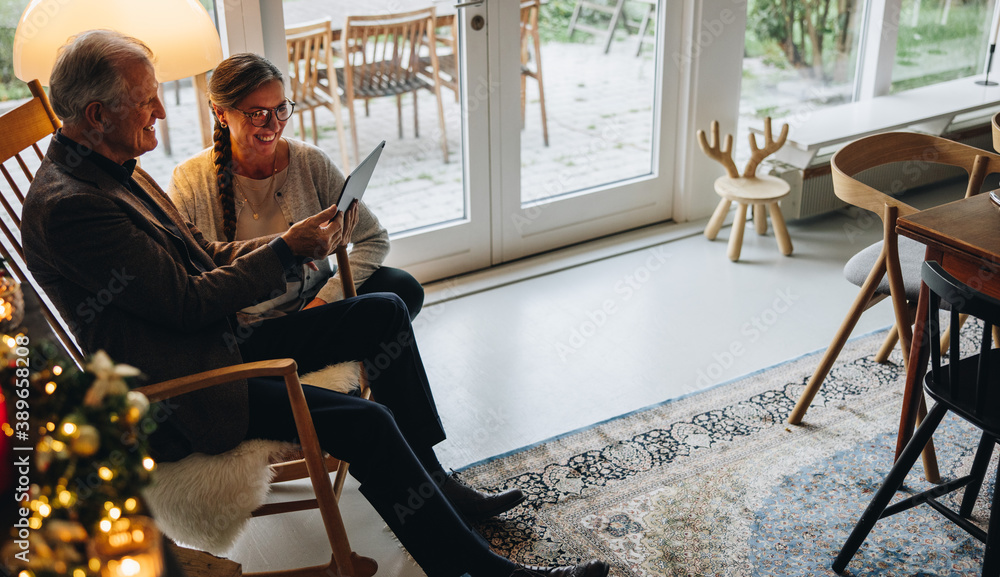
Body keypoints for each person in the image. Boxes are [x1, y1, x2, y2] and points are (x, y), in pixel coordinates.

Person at [20, 30, 608, 577]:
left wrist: (292, 244)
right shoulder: (72, 206)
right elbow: (188, 304)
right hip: (186, 388)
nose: (162, 112)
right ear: (97, 115)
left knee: (384, 312)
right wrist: (282, 251)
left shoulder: (114, 167)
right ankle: (481, 570)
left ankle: (432, 477)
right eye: (148, 100)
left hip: (212, 343)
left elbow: (204, 252)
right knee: (369, 423)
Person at [168, 52, 423, 323]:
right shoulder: (190, 180)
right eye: (258, 114)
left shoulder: (309, 161)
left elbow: (374, 238)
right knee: (386, 315)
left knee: (403, 289)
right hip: (245, 328)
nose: (274, 125)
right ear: (221, 112)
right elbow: (184, 276)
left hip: (313, 307)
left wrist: (325, 298)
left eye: (280, 108)